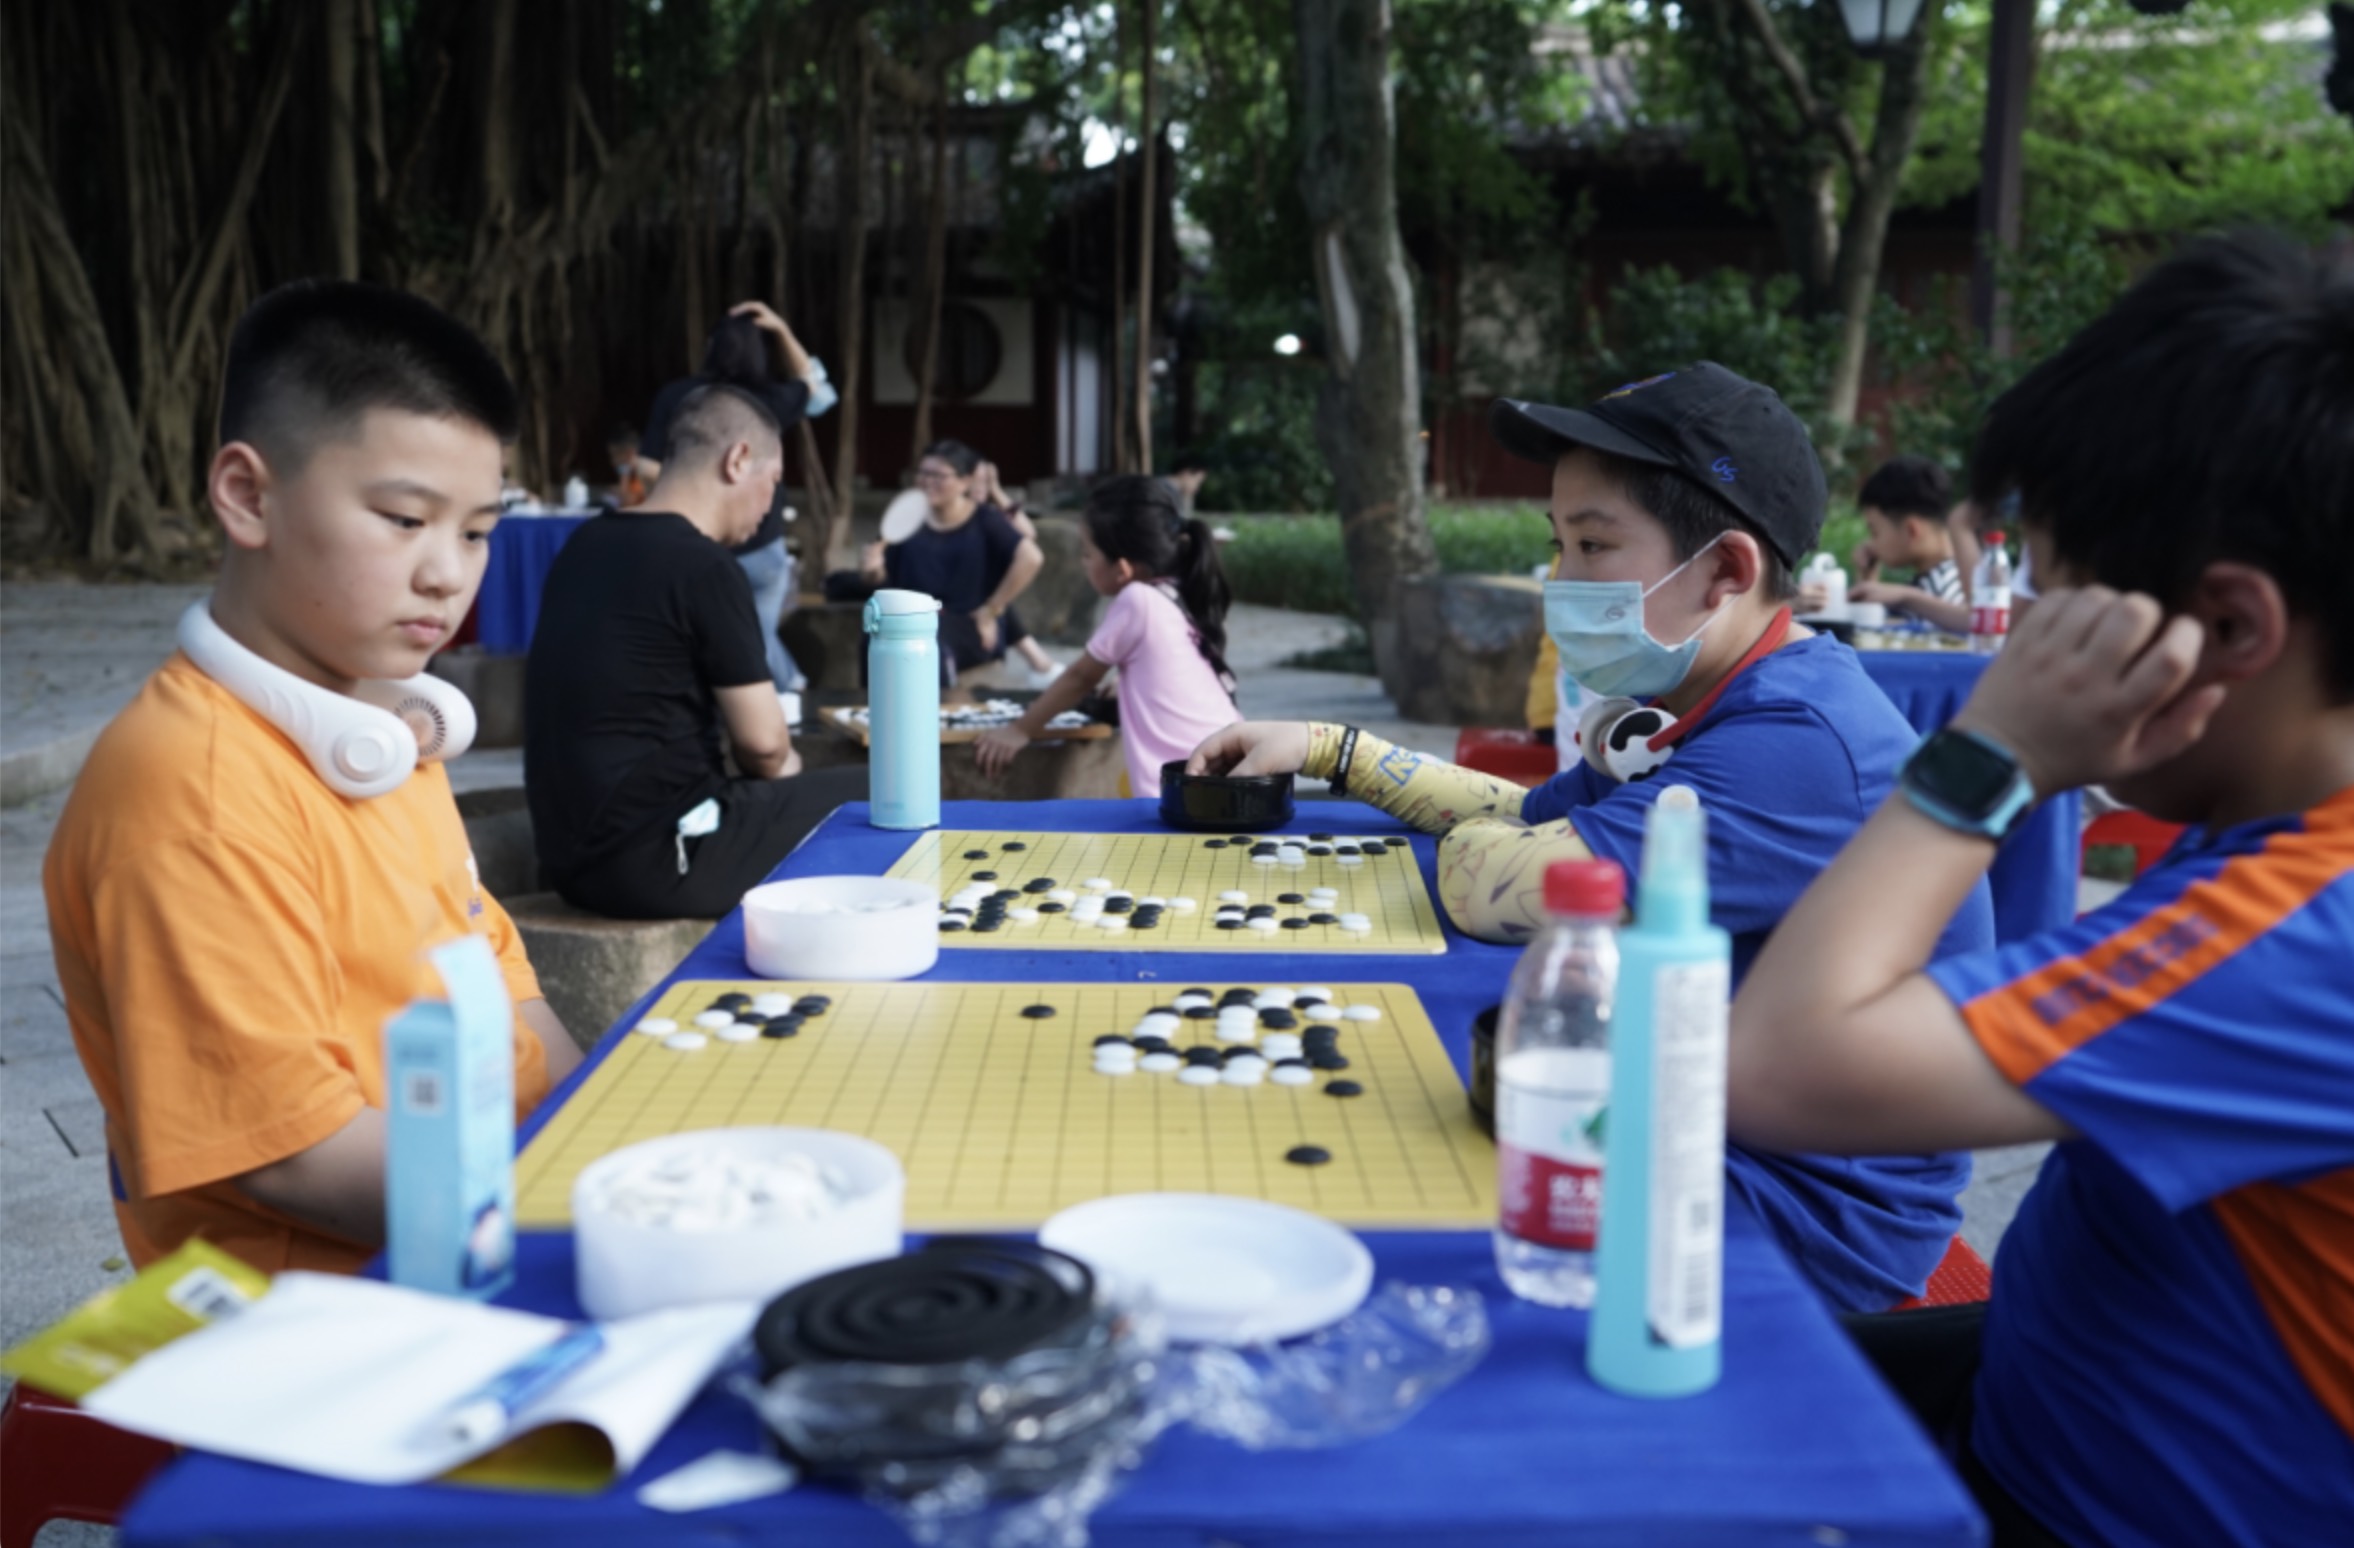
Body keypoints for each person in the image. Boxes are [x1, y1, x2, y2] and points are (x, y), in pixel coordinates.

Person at [1727, 231, 2354, 1547]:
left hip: (2090, 1504)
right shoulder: (2276, 833)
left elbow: (1775, 1070)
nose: (2021, 637)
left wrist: (1994, 747)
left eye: (2055, 604)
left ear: (2225, 629)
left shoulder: (2299, 920)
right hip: (2049, 1392)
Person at [1187, 362, 1994, 1313]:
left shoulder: (1795, 745)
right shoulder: (1698, 697)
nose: (1560, 579)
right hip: (1690, 1121)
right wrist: (1339, 750)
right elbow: (1525, 818)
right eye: (1559, 543)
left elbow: (1495, 883)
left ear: (1725, 572)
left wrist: (1506, 846)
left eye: (1593, 545)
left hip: (1788, 1209)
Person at [42, 279, 580, 1274]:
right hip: (341, 1308)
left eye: (473, 531)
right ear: (249, 496)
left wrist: (616, 1129)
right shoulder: (191, 792)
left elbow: (511, 1006)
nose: (447, 574)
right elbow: (293, 1156)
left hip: (498, 1214)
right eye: (403, 518)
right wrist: (579, 1197)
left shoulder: (382, 732)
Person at [524, 384, 868, 919]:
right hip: (660, 858)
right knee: (891, 793)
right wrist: (788, 782)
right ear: (738, 461)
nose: (771, 507)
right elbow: (766, 748)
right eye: (774, 484)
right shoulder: (702, 566)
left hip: (567, 859)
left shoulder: (584, 544)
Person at [974, 475, 1238, 797]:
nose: (1083, 563)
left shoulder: (1137, 599)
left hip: (1192, 783)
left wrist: (1018, 730)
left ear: (1122, 569)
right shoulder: (1171, 594)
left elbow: (1080, 677)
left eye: (1087, 553)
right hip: (1225, 767)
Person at [640, 301, 836, 693]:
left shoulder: (682, 397)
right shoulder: (770, 400)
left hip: (696, 541)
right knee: (752, 640)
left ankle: (786, 695)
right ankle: (789, 695)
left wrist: (688, 486)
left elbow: (646, 466)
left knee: (729, 642)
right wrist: (780, 328)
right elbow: (816, 388)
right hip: (763, 544)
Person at [859, 439, 1049, 678]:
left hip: (968, 622)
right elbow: (876, 579)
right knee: (875, 635)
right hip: (911, 618)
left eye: (938, 476)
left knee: (926, 642)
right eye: (923, 473)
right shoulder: (907, 519)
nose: (927, 482)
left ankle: (934, 713)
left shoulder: (986, 520)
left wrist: (991, 610)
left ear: (965, 481)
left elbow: (1031, 558)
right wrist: (872, 569)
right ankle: (871, 710)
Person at [1844, 457, 1971, 628]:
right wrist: (1868, 578)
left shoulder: (1943, 591)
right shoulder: (1941, 579)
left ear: (1912, 530)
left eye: (1875, 532)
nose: (1871, 543)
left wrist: (1906, 597)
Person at [606, 423, 648, 508]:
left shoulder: (643, 471)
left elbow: (626, 501)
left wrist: (624, 471)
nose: (612, 462)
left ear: (629, 453)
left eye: (615, 456)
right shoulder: (632, 474)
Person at [1167, 449, 1209, 513]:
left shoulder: (1171, 492)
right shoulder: (1165, 494)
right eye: (1198, 482)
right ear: (1186, 473)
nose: (1197, 489)